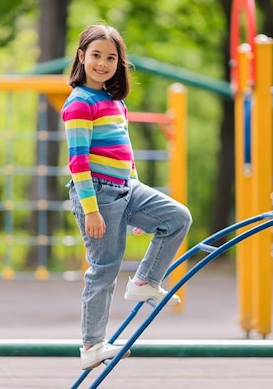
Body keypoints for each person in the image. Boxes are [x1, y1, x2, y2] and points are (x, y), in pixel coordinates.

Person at [61, 24, 192, 371]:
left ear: (119, 62)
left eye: (110, 58)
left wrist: (137, 202)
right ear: (81, 57)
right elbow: (78, 162)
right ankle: (91, 344)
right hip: (98, 195)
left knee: (178, 217)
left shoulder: (114, 100)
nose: (103, 63)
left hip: (126, 189)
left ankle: (145, 281)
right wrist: (91, 210)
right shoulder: (78, 104)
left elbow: (125, 151)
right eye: (96, 56)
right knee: (103, 269)